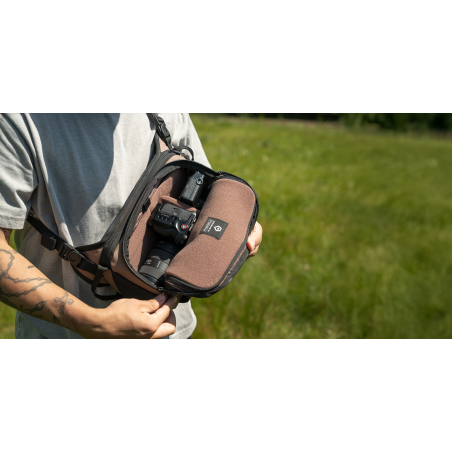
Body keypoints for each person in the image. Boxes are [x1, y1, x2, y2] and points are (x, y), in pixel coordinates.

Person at [0, 114, 263, 339]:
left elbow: (204, 186)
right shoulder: (18, 120)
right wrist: (91, 322)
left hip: (172, 330)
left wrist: (236, 229)